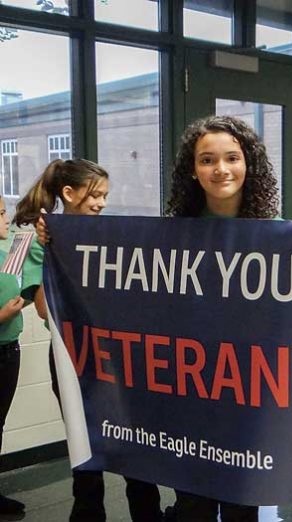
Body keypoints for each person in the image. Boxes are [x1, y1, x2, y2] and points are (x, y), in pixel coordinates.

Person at [17, 159, 163, 522]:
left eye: (105, 196)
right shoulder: (42, 239)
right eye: (95, 194)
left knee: (134, 434)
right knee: (83, 440)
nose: (101, 203)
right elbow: (40, 310)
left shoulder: (112, 238)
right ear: (68, 193)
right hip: (72, 355)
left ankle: (148, 512)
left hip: (118, 353)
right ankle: (87, 513)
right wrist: (52, 252)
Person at [166, 114, 279, 521]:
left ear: (249, 164)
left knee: (240, 504)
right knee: (191, 502)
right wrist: (57, 240)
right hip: (188, 388)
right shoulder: (170, 236)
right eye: (207, 160)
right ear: (192, 171)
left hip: (247, 391)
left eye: (232, 157)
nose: (221, 170)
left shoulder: (278, 234)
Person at [0, 195, 43, 517]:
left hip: (8, 349)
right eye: (1, 214)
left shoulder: (7, 255)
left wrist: (24, 300)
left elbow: (22, 295)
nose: (6, 219)